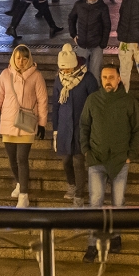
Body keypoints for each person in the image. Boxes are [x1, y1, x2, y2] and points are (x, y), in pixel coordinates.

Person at [80, 63, 139, 257]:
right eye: (104, 77)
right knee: (95, 202)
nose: (107, 81)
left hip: (119, 161)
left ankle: (116, 237)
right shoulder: (93, 100)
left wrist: (130, 155)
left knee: (118, 202)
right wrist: (86, 151)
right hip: (96, 159)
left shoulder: (128, 101)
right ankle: (92, 244)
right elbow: (84, 126)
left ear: (119, 79)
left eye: (111, 77)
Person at [0, 44, 49, 208]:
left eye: (24, 58)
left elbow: (42, 101)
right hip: (8, 123)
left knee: (22, 159)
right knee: (12, 159)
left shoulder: (36, 76)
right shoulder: (5, 74)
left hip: (27, 123)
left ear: (29, 59)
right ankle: (20, 183)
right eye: (18, 58)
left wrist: (42, 124)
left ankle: (24, 195)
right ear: (13, 58)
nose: (21, 61)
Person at [54, 45, 93, 205]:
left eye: (69, 68)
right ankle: (71, 184)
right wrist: (55, 128)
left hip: (80, 127)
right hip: (64, 128)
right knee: (66, 160)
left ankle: (79, 193)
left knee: (78, 161)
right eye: (64, 69)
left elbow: (94, 102)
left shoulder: (88, 79)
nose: (67, 72)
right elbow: (55, 105)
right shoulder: (59, 79)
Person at [67, 0, 111, 79]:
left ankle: (95, 92)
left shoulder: (102, 7)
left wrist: (103, 43)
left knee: (95, 72)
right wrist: (73, 34)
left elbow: (107, 25)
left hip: (97, 44)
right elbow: (71, 18)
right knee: (81, 72)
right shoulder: (79, 5)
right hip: (82, 43)